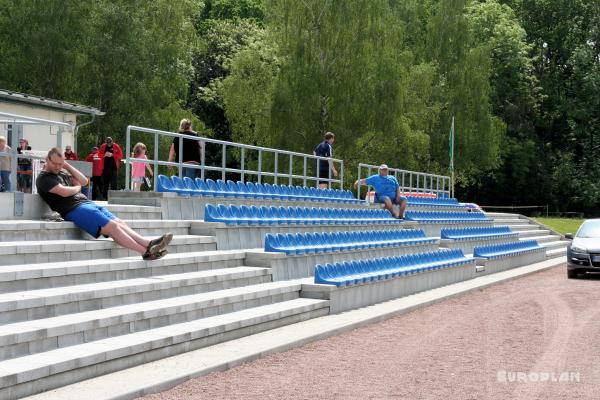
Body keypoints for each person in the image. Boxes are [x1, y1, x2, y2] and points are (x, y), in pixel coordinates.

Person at [36, 147, 172, 260]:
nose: (58, 167)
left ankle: (149, 244)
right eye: (55, 164)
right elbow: (65, 192)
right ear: (47, 160)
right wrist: (77, 188)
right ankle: (144, 252)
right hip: (74, 209)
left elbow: (84, 181)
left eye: (61, 164)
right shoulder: (44, 178)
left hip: (85, 203)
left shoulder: (62, 170)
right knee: (112, 226)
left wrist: (66, 165)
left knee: (119, 222)